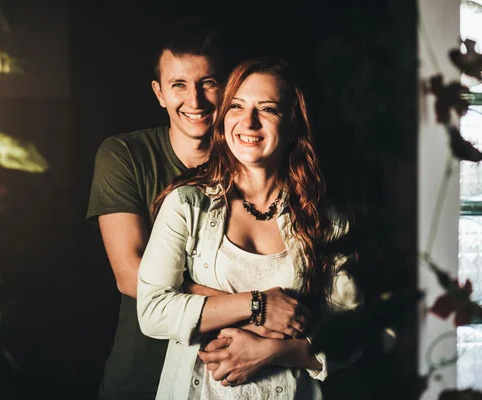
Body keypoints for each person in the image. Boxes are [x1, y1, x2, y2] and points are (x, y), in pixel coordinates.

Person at [137, 57, 363, 399]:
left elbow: (354, 333)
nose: (249, 122)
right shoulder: (187, 204)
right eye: (237, 106)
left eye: (268, 109)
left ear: (292, 125)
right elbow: (153, 311)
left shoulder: (326, 220)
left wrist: (272, 352)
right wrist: (258, 306)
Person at [86, 17, 229, 400]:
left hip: (229, 378)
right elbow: (131, 274)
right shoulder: (124, 155)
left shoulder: (252, 159)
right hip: (144, 375)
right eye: (179, 85)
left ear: (228, 88)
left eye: (208, 83)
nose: (195, 100)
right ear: (159, 93)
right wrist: (250, 306)